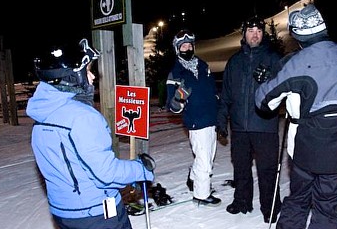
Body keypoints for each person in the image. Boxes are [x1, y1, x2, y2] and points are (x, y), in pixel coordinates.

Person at [255, 4, 337, 229]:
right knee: (327, 205)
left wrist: (268, 79)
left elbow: (263, 101)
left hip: (304, 150)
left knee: (298, 199)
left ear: (298, 37)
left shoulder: (292, 64)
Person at [26, 38, 154, 229]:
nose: (92, 77)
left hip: (64, 212)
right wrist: (141, 169)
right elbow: (105, 174)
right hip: (96, 214)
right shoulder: (82, 117)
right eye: (87, 71)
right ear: (72, 77)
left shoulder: (43, 114)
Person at [217, 15, 283, 223]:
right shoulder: (234, 61)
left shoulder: (274, 58)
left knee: (267, 169)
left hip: (264, 125)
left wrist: (270, 79)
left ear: (263, 35)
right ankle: (242, 201)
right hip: (239, 127)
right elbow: (226, 94)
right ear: (244, 35)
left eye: (259, 31)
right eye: (251, 31)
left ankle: (270, 206)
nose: (255, 35)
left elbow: (284, 88)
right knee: (241, 167)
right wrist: (221, 119)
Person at [165, 29, 221, 207]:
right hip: (196, 120)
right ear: (177, 48)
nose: (187, 48)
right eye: (183, 46)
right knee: (204, 161)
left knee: (207, 157)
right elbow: (171, 106)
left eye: (190, 45)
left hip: (211, 118)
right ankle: (201, 194)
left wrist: (220, 107)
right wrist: (178, 100)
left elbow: (213, 91)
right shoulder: (176, 72)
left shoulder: (203, 66)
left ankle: (193, 177)